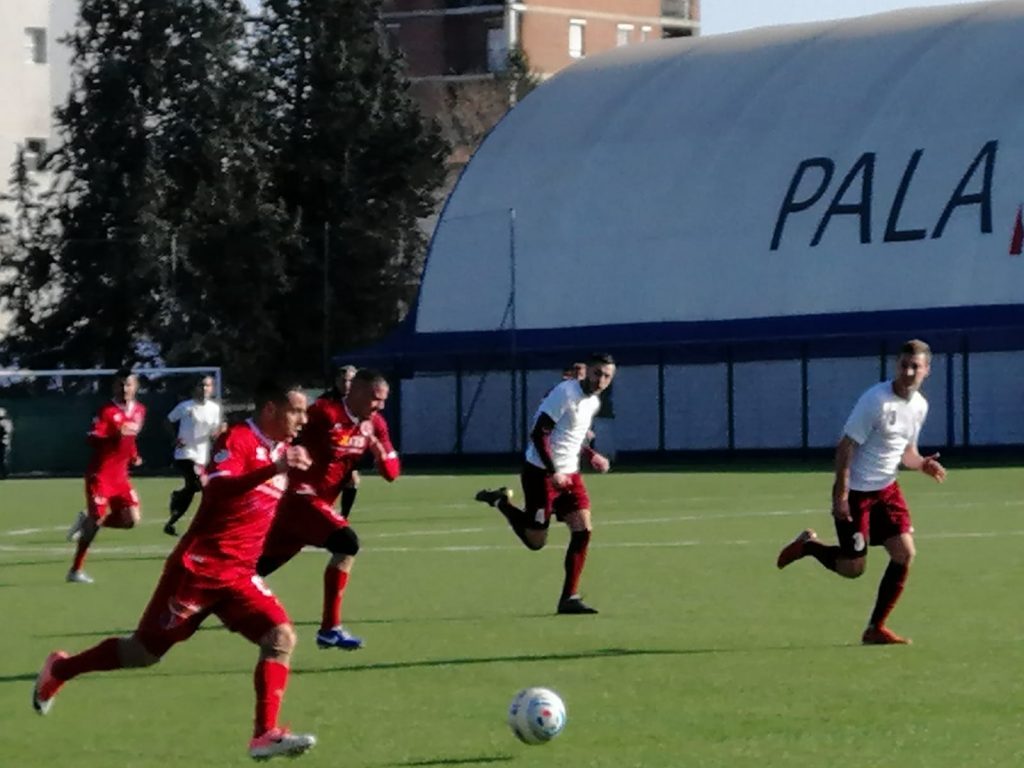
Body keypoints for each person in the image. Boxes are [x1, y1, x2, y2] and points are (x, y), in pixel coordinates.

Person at [33, 379, 318, 761]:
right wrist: (273, 470)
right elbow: (217, 489)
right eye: (296, 411)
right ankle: (61, 669)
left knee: (280, 637)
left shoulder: (281, 451)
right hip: (197, 570)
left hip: (238, 575)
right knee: (142, 653)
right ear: (271, 409)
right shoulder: (238, 440)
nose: (303, 419)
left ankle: (264, 734)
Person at [776, 339, 947, 645]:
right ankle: (809, 546)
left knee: (905, 553)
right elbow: (846, 446)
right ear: (896, 365)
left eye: (915, 366)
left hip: (887, 489)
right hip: (857, 492)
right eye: (904, 365)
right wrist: (841, 496)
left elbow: (906, 452)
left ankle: (875, 628)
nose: (908, 372)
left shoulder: (920, 406)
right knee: (853, 568)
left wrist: (923, 464)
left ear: (927, 370)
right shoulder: (875, 401)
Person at [257, 368, 400, 650]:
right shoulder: (324, 413)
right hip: (299, 497)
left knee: (253, 569)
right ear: (356, 391)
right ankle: (330, 628)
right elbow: (283, 432)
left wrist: (378, 450)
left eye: (384, 400)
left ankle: (191, 603)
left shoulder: (375, 424)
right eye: (375, 398)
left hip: (314, 508)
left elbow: (392, 473)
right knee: (347, 544)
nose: (380, 406)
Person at [475, 353, 616, 615]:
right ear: (587, 371)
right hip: (540, 473)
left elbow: (570, 436)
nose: (601, 380)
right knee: (536, 541)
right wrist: (553, 472)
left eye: (607, 376)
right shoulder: (564, 394)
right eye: (597, 373)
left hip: (570, 475)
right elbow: (539, 434)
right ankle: (502, 502)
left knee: (583, 530)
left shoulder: (593, 402)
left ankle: (569, 597)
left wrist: (591, 455)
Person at [65, 369, 147, 584]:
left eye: (128, 384)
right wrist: (112, 435)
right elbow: (92, 438)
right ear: (114, 386)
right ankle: (75, 570)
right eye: (120, 384)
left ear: (136, 386)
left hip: (121, 477)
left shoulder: (140, 410)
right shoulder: (106, 411)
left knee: (131, 520)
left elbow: (131, 439)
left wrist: (134, 456)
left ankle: (88, 520)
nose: (124, 388)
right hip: (100, 475)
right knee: (97, 520)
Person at [164, 375, 226, 536]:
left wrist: (218, 432)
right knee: (200, 484)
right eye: (201, 385)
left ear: (212, 389)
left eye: (208, 386)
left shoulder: (214, 408)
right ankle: (207, 525)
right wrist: (174, 439)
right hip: (185, 454)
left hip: (202, 455)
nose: (204, 389)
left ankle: (172, 521)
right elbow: (168, 421)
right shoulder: (186, 407)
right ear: (195, 389)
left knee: (192, 488)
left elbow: (215, 430)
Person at [327, 365, 361, 519]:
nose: (347, 384)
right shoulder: (327, 400)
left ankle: (343, 517)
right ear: (336, 381)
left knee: (352, 480)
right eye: (343, 381)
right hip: (327, 449)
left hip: (348, 449)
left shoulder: (358, 401)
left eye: (350, 381)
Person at [0, 406, 12, 479]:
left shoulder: (6, 423)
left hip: (3, 443)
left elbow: (6, 432)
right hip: (3, 443)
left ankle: (4, 475)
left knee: (3, 459)